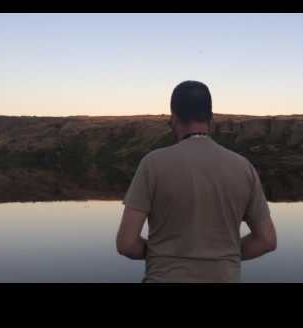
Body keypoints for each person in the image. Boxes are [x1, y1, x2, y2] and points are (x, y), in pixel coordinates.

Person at [116, 80, 277, 283]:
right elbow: (266, 240)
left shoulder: (152, 164)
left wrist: (161, 254)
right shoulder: (243, 167)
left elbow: (126, 243)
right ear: (210, 118)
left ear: (174, 118)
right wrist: (224, 256)